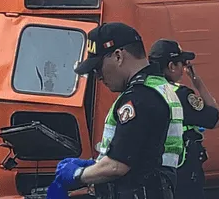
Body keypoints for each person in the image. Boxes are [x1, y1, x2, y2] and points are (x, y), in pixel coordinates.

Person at [48, 22, 184, 199]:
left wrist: (78, 174)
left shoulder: (139, 97)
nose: (98, 77)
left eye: (98, 68)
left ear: (118, 56)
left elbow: (118, 166)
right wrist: (96, 166)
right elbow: (143, 152)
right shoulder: (160, 87)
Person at [148, 39, 219, 199]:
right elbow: (215, 120)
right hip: (182, 173)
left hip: (152, 171)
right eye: (181, 63)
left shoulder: (144, 89)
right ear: (171, 66)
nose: (184, 68)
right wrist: (197, 82)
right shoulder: (180, 95)